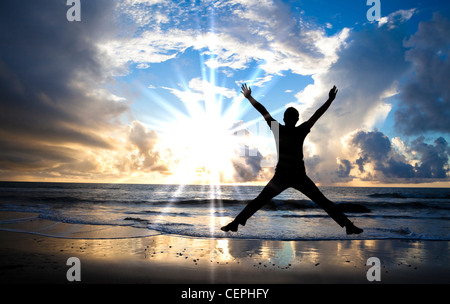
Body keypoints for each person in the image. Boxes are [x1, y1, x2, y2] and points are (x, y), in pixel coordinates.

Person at [221, 84, 363, 235]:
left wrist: (249, 97)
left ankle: (236, 223)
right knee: (323, 201)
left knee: (259, 201)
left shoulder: (278, 129)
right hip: (296, 175)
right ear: (297, 119)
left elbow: (264, 112)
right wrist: (330, 100)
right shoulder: (300, 130)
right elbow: (316, 115)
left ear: (284, 118)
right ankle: (348, 226)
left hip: (284, 175)